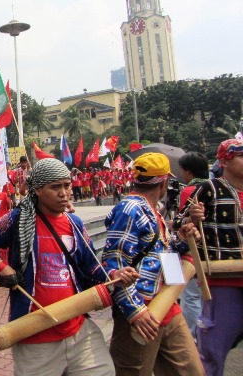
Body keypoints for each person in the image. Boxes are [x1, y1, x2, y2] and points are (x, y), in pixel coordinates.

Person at [0, 159, 139, 376]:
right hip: (35, 337)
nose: (64, 193)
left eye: (67, 185)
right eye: (55, 187)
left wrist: (114, 274)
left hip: (79, 332)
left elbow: (90, 265)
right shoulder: (18, 219)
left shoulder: (75, 224)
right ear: (38, 191)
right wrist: (1, 267)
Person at [102, 153, 203, 375]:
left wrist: (185, 240)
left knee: (192, 370)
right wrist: (135, 311)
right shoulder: (129, 209)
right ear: (165, 181)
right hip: (142, 313)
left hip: (167, 305)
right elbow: (113, 264)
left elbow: (162, 254)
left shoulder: (153, 210)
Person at [178, 139, 243, 376]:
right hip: (224, 280)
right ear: (225, 161)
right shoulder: (209, 189)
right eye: (241, 156)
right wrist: (191, 221)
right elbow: (178, 225)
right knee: (213, 351)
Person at [176, 151, 210, 341]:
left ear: (188, 171)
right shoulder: (217, 186)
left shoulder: (190, 190)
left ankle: (193, 336)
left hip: (195, 248)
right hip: (214, 250)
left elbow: (181, 221)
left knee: (191, 296)